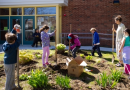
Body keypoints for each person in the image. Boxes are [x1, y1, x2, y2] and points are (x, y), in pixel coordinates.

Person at [2, 24, 21, 90]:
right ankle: (8, 88)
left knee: (11, 75)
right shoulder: (13, 47)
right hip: (10, 64)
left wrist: (14, 29)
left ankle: (12, 86)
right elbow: (18, 41)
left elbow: (10, 37)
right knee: (9, 77)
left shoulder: (6, 43)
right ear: (13, 41)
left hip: (7, 63)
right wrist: (18, 32)